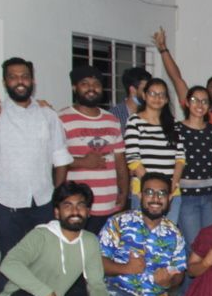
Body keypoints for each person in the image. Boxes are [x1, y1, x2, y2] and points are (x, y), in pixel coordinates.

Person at [0, 57, 72, 296]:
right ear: (5, 82)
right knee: (11, 260)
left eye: (24, 76)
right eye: (13, 77)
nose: (20, 81)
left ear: (32, 80)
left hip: (43, 199)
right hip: (7, 200)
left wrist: (57, 194)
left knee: (45, 260)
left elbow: (60, 157)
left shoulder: (47, 115)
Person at [98, 173, 188, 296]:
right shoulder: (119, 222)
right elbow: (97, 262)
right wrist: (126, 268)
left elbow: (179, 272)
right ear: (140, 195)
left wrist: (169, 282)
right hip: (120, 291)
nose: (155, 199)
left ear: (170, 198)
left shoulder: (174, 233)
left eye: (161, 193)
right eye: (149, 192)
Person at [59, 65, 128, 233]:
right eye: (85, 83)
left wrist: (124, 192)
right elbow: (52, 160)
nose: (91, 88)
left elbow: (120, 162)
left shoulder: (112, 120)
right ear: (74, 87)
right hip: (78, 208)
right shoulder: (61, 118)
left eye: (96, 84)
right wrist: (82, 162)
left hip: (110, 205)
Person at [124, 77, 184, 223]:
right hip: (144, 192)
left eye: (161, 94)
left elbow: (180, 158)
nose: (157, 98)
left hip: (171, 192)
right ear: (144, 96)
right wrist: (152, 188)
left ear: (166, 99)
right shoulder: (134, 121)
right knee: (143, 233)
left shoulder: (174, 124)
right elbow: (133, 159)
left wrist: (170, 187)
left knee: (168, 233)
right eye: (152, 93)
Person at [174, 85, 212, 253]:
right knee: (193, 246)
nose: (200, 105)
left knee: (211, 245)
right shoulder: (176, 129)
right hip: (187, 196)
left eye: (204, 101)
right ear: (186, 103)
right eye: (195, 100)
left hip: (211, 195)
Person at [110, 65, 151, 130]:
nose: (150, 93)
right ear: (132, 90)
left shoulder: (152, 112)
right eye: (145, 90)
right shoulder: (114, 115)